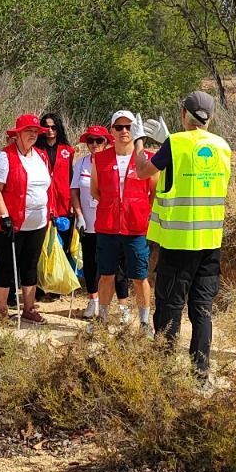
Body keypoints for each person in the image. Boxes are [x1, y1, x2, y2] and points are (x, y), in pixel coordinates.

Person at [137, 91, 231, 384]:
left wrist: (141, 142)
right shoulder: (222, 146)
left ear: (183, 114)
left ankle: (164, 374)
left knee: (170, 307)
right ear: (210, 118)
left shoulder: (175, 144)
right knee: (202, 310)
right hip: (210, 243)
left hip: (179, 242)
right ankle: (200, 375)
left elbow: (142, 171)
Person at [91, 110, 156, 329]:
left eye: (129, 127)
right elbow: (95, 190)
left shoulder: (147, 158)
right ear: (112, 131)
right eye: (119, 127)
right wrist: (111, 207)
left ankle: (144, 322)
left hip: (136, 228)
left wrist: (140, 210)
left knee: (139, 277)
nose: (124, 131)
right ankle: (102, 319)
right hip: (107, 227)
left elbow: (154, 192)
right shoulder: (100, 159)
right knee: (106, 275)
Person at [0, 113, 53, 324]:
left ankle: (29, 308)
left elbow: (48, 187)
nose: (33, 135)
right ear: (17, 134)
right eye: (28, 131)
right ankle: (2, 310)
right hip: (12, 223)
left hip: (38, 222)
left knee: (30, 265)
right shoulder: (5, 156)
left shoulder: (41, 155)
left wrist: (51, 211)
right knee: (7, 265)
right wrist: (4, 215)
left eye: (36, 131)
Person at [72, 124, 130, 320]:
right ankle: (93, 301)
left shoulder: (112, 161)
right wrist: (79, 215)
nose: (94, 144)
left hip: (111, 223)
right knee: (90, 263)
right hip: (88, 223)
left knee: (118, 266)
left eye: (99, 140)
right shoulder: (81, 163)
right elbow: (74, 191)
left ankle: (122, 306)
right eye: (91, 140)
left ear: (106, 142)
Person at [35, 113, 75, 302]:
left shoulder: (68, 151)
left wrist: (73, 204)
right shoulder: (36, 151)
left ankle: (57, 286)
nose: (50, 131)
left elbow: (72, 178)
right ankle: (39, 287)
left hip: (63, 204)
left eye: (53, 127)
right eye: (46, 127)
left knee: (62, 245)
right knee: (41, 246)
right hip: (42, 203)